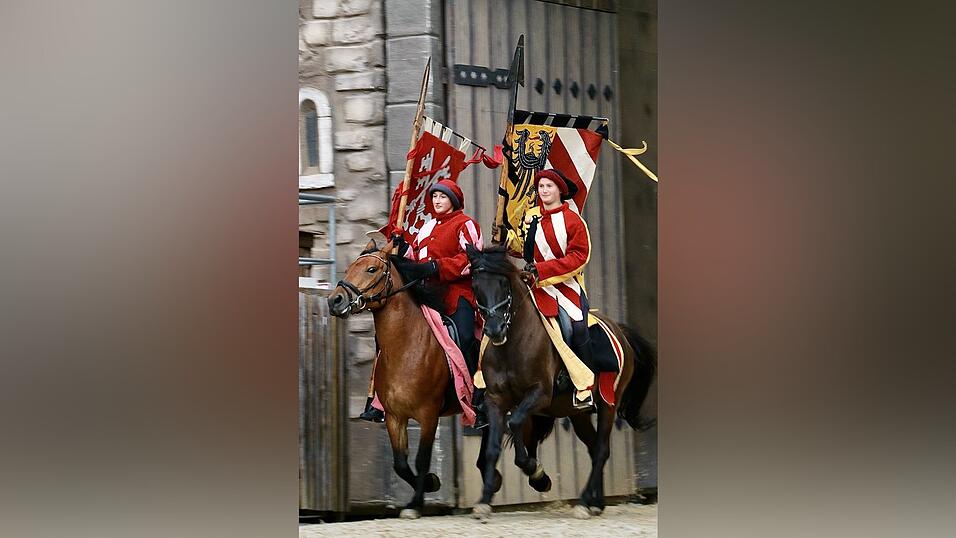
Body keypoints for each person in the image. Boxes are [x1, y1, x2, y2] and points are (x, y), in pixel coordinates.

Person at [359, 179, 489, 428]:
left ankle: (478, 398)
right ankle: (381, 400)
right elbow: (413, 259)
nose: (437, 201)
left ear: (454, 200)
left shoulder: (466, 224)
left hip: (456, 294)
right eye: (435, 197)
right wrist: (400, 243)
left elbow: (472, 259)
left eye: (443, 196)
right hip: (424, 294)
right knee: (388, 338)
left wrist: (437, 267)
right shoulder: (426, 227)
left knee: (463, 336)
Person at [503, 169, 595, 409]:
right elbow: (523, 249)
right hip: (532, 285)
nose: (544, 191)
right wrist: (506, 239)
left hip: (566, 286)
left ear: (559, 191)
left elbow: (579, 257)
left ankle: (584, 387)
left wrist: (543, 271)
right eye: (541, 187)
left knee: (575, 328)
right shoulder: (530, 216)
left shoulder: (574, 221)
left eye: (548, 186)